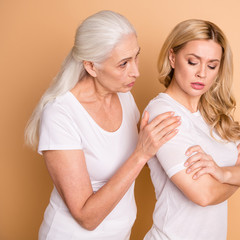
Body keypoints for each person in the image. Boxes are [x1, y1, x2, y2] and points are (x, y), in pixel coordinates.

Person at [24, 10, 180, 240]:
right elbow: (87, 217)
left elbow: (146, 153)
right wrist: (141, 154)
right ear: (91, 66)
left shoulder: (123, 93)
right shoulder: (60, 114)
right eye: (123, 63)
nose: (135, 71)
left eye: (136, 56)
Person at [143, 19, 240, 240]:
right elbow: (203, 194)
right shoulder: (163, 112)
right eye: (192, 62)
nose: (202, 73)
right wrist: (238, 173)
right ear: (172, 57)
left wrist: (223, 173)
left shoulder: (215, 115)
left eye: (211, 65)